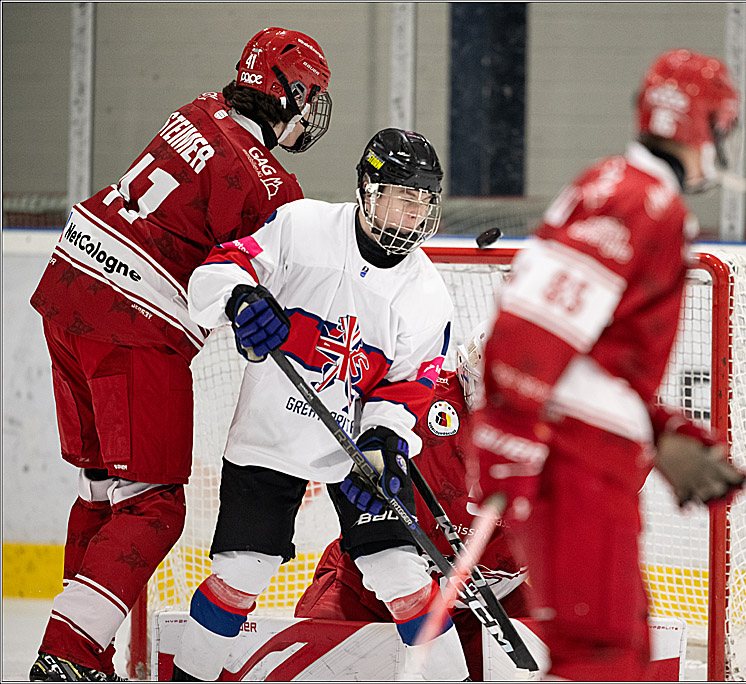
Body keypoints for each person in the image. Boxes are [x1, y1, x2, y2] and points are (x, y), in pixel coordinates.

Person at [28, 27, 332, 682]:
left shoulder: (198, 111)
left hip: (68, 290)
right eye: (309, 97)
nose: (310, 113)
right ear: (288, 91)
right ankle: (69, 654)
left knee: (104, 492)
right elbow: (294, 289)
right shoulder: (268, 182)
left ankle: (84, 656)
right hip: (130, 324)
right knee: (155, 504)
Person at [465, 48, 746, 681]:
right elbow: (532, 326)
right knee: (600, 654)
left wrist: (656, 428)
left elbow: (591, 349)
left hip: (588, 449)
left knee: (623, 650)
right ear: (703, 125)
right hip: (577, 456)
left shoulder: (615, 185)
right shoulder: (644, 202)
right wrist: (508, 432)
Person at [171, 128, 466, 681]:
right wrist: (240, 297)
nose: (413, 210)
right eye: (402, 194)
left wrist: (383, 443)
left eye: (423, 198)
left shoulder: (427, 294)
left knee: (401, 572)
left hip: (352, 450)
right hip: (268, 435)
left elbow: (408, 387)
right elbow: (218, 268)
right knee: (243, 571)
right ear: (369, 191)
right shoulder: (302, 225)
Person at [294, 326, 531, 681]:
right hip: (373, 590)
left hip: (496, 604)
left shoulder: (577, 436)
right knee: (316, 665)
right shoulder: (418, 403)